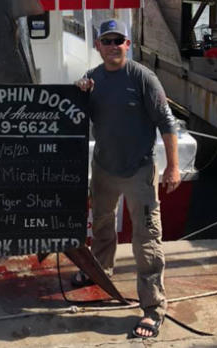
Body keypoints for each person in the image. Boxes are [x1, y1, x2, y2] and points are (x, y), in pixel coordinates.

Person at [74, 19, 180, 339]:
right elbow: (77, 116)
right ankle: (100, 273)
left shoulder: (144, 78)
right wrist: (78, 93)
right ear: (98, 46)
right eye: (106, 41)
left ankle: (152, 307)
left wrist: (173, 167)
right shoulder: (91, 80)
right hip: (104, 168)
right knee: (102, 225)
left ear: (127, 44)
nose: (112, 46)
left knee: (146, 240)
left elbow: (167, 123)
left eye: (118, 40)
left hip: (139, 170)